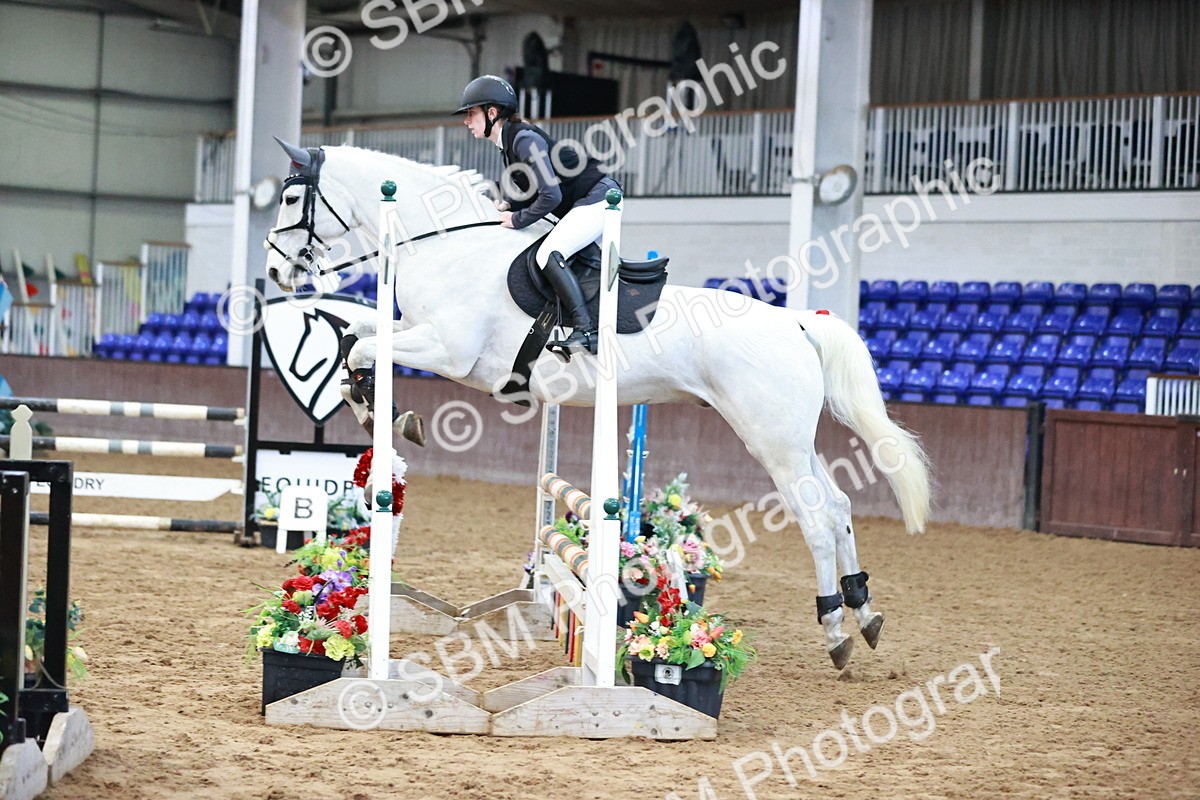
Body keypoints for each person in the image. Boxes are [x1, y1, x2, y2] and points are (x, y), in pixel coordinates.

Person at [456, 75, 621, 357]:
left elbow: (551, 196)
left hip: (598, 198)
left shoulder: (524, 139)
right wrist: (512, 204)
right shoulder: (510, 143)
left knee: (549, 253)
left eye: (471, 113)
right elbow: (536, 191)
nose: (466, 121)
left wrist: (517, 220)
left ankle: (586, 330)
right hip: (585, 201)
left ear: (492, 113)